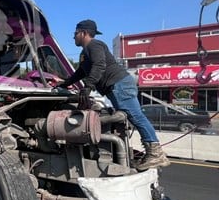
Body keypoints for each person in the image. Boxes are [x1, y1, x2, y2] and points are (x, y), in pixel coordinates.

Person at [58, 19, 170, 171]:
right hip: (117, 86)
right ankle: (151, 151)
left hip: (119, 84)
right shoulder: (85, 53)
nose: (73, 37)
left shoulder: (94, 45)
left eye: (75, 33)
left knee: (136, 116)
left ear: (83, 33)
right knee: (130, 117)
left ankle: (155, 153)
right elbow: (80, 72)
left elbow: (100, 64)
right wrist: (64, 83)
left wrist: (88, 86)